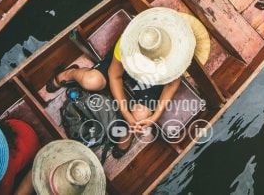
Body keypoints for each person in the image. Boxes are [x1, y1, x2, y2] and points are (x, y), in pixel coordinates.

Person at [46, 8, 197, 156]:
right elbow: (114, 75)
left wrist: (154, 116)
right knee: (91, 81)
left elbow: (171, 85)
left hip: (153, 79)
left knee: (140, 115)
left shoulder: (176, 58)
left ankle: (127, 133)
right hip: (127, 63)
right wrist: (125, 111)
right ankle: (70, 73)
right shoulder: (129, 42)